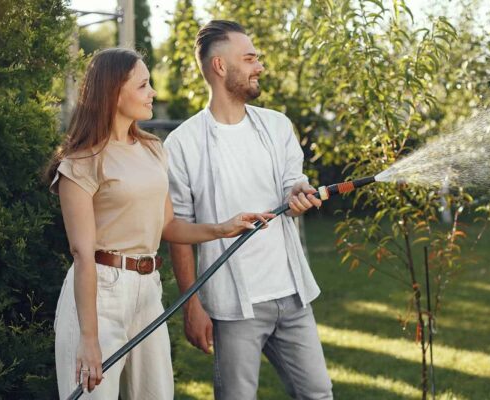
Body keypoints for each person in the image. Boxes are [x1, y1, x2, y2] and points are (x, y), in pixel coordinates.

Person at [47, 48, 272, 399]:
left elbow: (167, 225)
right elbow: (82, 254)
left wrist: (223, 228)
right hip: (100, 295)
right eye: (143, 85)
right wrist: (88, 339)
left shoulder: (152, 148)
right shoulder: (81, 163)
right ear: (113, 93)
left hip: (148, 291)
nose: (152, 92)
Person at [164, 21, 333, 399]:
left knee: (319, 393)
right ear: (220, 66)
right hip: (234, 307)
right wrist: (191, 306)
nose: (260, 66)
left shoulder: (276, 126)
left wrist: (299, 193)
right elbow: (178, 229)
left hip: (292, 296)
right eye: (250, 58)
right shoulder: (182, 144)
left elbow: (294, 184)